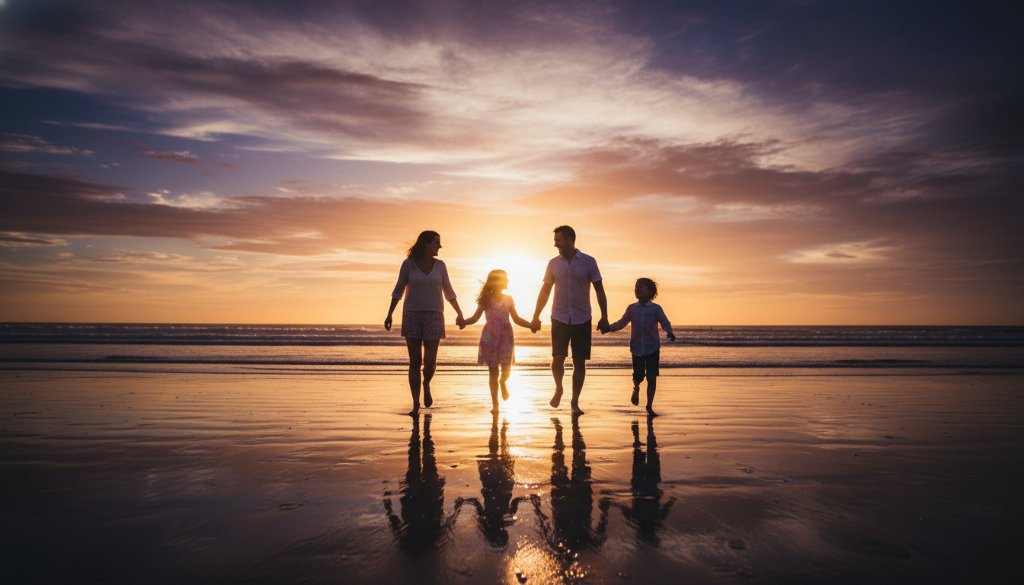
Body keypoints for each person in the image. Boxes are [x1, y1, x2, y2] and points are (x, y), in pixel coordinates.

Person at [530, 225, 609, 415]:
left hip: (582, 318)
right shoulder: (553, 264)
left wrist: (604, 316)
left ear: (569, 240)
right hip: (559, 317)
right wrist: (536, 315)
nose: (555, 244)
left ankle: (574, 401)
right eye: (555, 240)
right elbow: (545, 291)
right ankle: (559, 388)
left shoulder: (589, 262)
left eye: (558, 240)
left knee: (579, 362)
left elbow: (599, 290)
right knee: (558, 358)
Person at [385, 230, 465, 414]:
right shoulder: (408, 265)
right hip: (412, 315)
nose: (440, 246)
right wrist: (389, 314)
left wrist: (459, 313)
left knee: (430, 362)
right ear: (426, 244)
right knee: (415, 361)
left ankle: (426, 383)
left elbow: (449, 291)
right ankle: (415, 404)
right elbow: (398, 290)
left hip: (434, 315)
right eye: (436, 242)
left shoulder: (440, 266)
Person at [461, 269, 534, 414]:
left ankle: (503, 382)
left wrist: (531, 325)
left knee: (507, 369)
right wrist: (464, 322)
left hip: (506, 335)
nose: (508, 281)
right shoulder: (486, 299)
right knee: (493, 372)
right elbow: (475, 317)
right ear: (498, 281)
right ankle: (495, 405)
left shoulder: (509, 298)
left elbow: (516, 319)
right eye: (505, 279)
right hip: (490, 337)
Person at [606, 277, 675, 416]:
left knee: (651, 378)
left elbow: (664, 322)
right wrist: (608, 328)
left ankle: (649, 406)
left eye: (641, 286)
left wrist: (669, 332)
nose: (637, 289)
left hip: (652, 348)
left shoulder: (655, 309)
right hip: (636, 348)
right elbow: (622, 323)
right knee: (638, 376)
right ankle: (636, 387)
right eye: (636, 286)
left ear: (650, 292)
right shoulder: (632, 308)